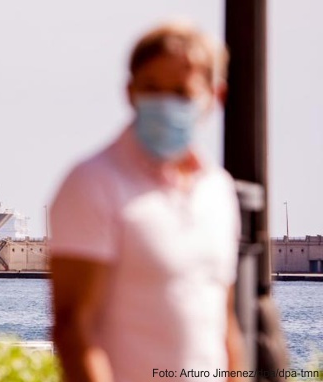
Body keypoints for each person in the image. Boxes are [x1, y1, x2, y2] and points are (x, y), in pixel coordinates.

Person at [49, 22, 245, 382]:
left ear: (214, 97)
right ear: (130, 91)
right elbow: (73, 326)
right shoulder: (94, 182)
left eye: (181, 93)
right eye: (152, 90)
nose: (165, 105)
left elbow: (223, 319)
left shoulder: (219, 190)